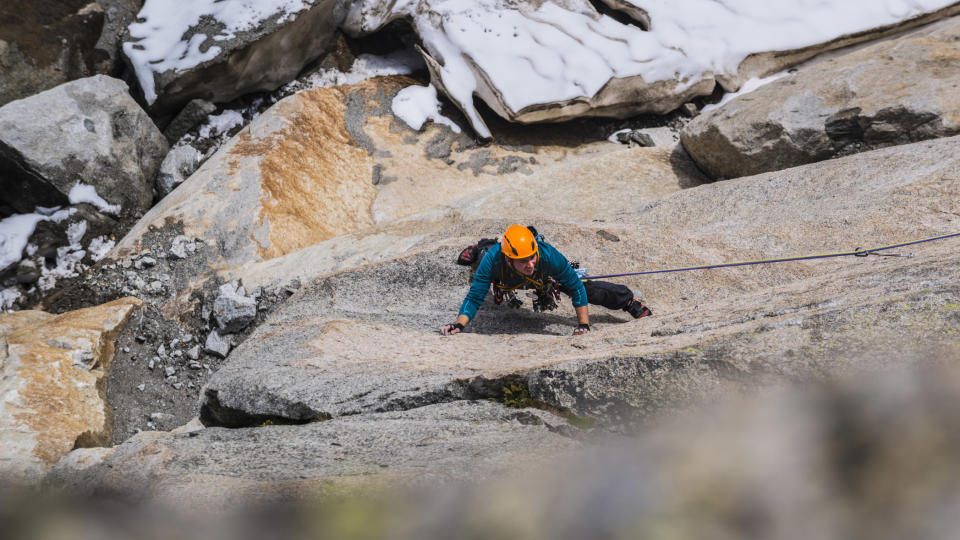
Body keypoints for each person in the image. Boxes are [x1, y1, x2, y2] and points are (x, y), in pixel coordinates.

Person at [440, 225, 651, 336]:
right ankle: (480, 246)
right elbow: (476, 296)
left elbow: (576, 287)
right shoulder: (494, 260)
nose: (529, 264)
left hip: (543, 277)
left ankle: (628, 302)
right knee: (486, 253)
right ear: (508, 258)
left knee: (589, 288)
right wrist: (460, 324)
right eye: (522, 261)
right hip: (504, 273)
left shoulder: (548, 255)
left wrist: (583, 326)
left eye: (531, 257)